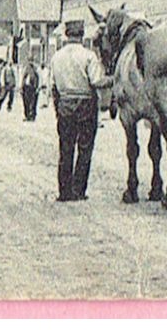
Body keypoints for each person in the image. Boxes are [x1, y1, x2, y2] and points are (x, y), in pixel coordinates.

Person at [49, 21, 108, 201]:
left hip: (65, 105)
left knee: (65, 150)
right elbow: (97, 81)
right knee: (85, 149)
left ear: (67, 35)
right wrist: (113, 79)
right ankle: (78, 190)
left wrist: (57, 108)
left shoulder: (56, 57)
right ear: (82, 35)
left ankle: (64, 192)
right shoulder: (88, 56)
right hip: (86, 106)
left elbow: (52, 86)